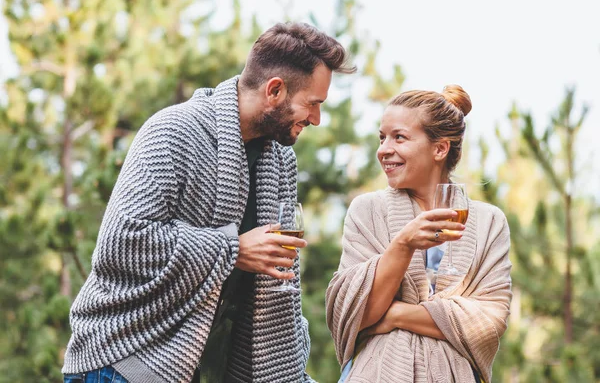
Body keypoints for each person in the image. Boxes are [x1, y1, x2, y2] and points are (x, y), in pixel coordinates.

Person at [62, 22, 356, 383]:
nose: (316, 119)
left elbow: (278, 288)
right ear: (275, 90)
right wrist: (232, 250)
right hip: (125, 361)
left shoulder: (280, 160)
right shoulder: (173, 131)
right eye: (312, 104)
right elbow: (121, 243)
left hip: (212, 368)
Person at [326, 85, 512, 382]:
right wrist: (403, 243)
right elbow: (356, 314)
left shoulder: (490, 222)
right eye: (382, 137)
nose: (384, 149)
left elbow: (488, 321)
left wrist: (397, 315)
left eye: (399, 137)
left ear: (439, 149)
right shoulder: (366, 211)